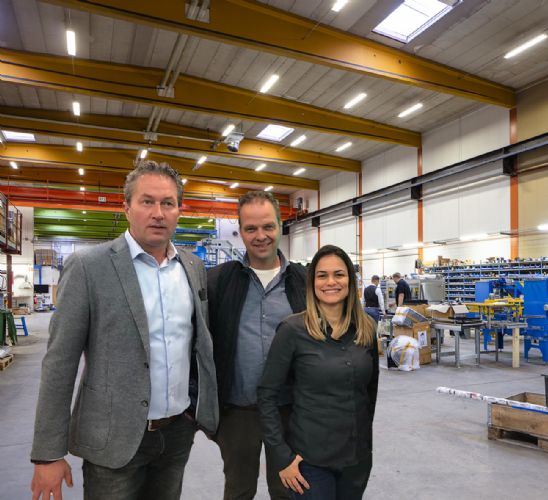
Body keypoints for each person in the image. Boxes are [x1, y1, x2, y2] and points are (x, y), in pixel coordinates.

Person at [30, 161, 219, 500]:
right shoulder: (89, 267)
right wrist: (48, 453)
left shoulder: (192, 267)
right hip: (112, 437)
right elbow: (60, 363)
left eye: (168, 203)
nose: (158, 213)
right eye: (147, 201)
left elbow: (197, 347)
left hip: (177, 432)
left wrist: (197, 414)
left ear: (179, 210)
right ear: (127, 207)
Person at [257, 245, 379, 499]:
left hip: (356, 461)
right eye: (322, 275)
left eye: (339, 274)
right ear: (312, 282)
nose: (331, 282)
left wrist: (365, 446)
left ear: (350, 280)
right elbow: (267, 395)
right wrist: (281, 456)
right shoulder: (292, 330)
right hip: (309, 463)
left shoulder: (366, 328)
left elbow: (370, 393)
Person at [208, 191, 307, 499]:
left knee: (289, 489)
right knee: (238, 489)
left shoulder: (303, 280)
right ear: (240, 231)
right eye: (251, 228)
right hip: (238, 411)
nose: (260, 236)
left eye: (268, 226)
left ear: (280, 226)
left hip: (290, 410)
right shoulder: (220, 280)